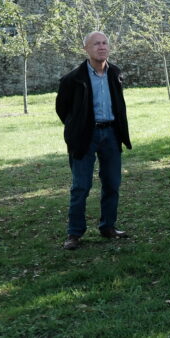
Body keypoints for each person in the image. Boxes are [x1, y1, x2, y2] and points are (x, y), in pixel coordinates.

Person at [56, 31, 132, 250]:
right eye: (96, 44)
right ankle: (74, 233)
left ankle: (108, 226)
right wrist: (77, 128)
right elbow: (63, 109)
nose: (101, 47)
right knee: (81, 186)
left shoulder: (115, 73)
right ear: (86, 49)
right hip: (85, 137)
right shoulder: (73, 79)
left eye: (104, 43)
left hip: (110, 134)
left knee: (112, 183)